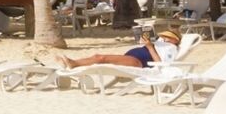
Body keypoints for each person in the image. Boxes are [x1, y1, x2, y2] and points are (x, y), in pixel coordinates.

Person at [50, 28, 180, 69]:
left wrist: (150, 47)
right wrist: (146, 42)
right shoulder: (161, 43)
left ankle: (74, 63)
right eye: (163, 36)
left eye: (168, 37)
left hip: (139, 62)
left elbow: (161, 65)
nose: (164, 38)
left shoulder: (172, 49)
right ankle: (73, 63)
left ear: (176, 40)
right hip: (133, 57)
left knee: (101, 58)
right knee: (100, 58)